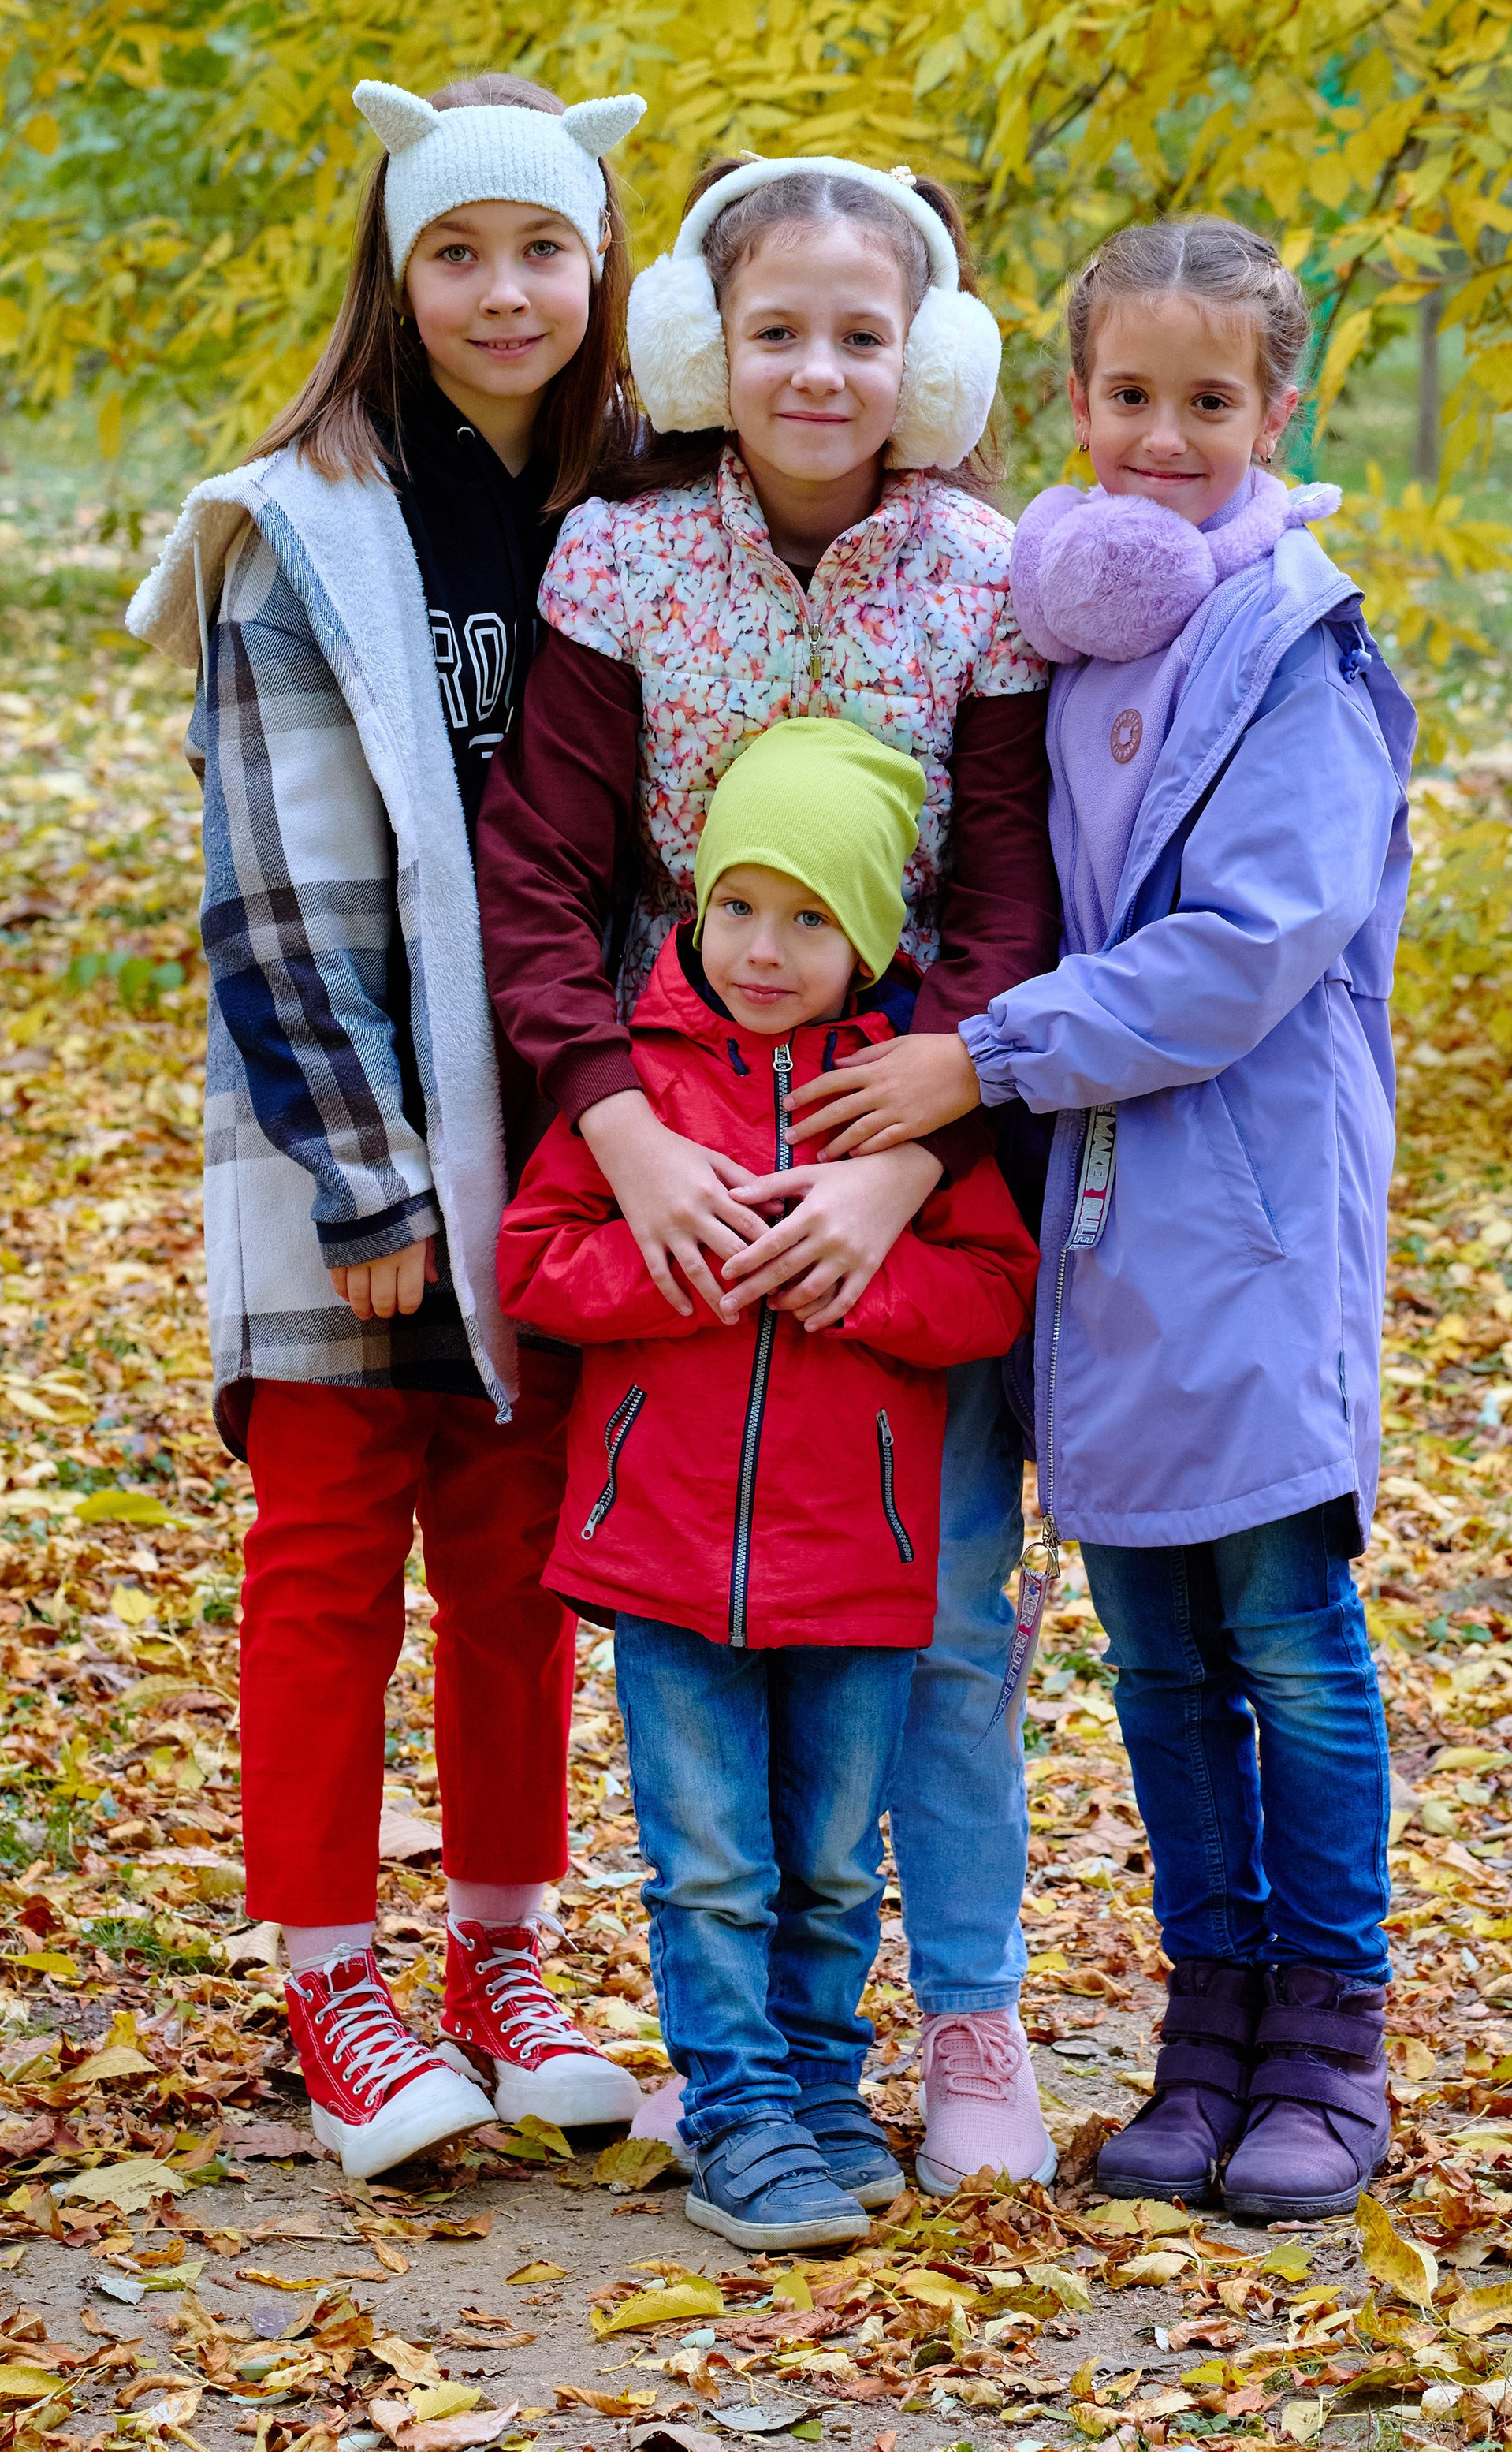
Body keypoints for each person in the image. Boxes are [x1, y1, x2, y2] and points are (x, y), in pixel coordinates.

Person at [477, 152, 1064, 2192]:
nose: (819, 370)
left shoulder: (991, 571)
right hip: (678, 1118)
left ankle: (968, 2015)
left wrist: (918, 1149)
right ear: (698, 353)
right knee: (701, 1619)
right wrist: (617, 1132)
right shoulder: (621, 565)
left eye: (862, 334)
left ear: (931, 361)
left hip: (918, 1125)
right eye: (776, 331)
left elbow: (1004, 884)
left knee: (949, 1617)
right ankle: (743, 2059)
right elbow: (543, 878)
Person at [125, 71, 653, 2177]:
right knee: (332, 1553)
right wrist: (366, 1165)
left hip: (566, 1131)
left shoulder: (632, 512)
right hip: (347, 1129)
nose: (503, 289)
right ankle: (331, 1972)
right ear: (395, 268)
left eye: (543, 247)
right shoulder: (299, 525)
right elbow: (268, 879)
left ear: (601, 267)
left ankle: (500, 1959)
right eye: (458, 249)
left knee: (521, 1566)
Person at [906, 218, 1415, 2218]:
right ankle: (1203, 2037)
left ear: (1273, 412)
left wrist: (989, 1056)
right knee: (1153, 1658)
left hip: (1252, 1219)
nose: (1161, 438)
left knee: (1285, 1637)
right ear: (1074, 405)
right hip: (1096, 1240)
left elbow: (1244, 947)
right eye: (1128, 397)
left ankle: (1326, 2040)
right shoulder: (1073, 628)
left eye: (1209, 402)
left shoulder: (1294, 652)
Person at [497, 719, 1040, 2246]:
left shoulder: (896, 1100)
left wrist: (854, 1282)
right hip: (666, 1555)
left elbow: (989, 1287)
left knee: (825, 1858)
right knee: (714, 1859)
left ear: (867, 935)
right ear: (693, 900)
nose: (762, 946)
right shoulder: (638, 1085)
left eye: (809, 918)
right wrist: (685, 1269)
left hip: (857, 1557)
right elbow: (536, 1265)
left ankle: (814, 2091)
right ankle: (735, 2113)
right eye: (736, 904)